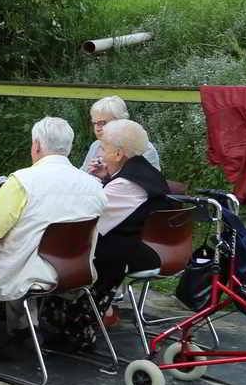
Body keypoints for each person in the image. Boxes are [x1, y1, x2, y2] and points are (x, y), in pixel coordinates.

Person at [0, 117, 108, 357]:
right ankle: (24, 331)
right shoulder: (94, 185)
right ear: (69, 147)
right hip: (72, 270)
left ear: (36, 146)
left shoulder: (23, 181)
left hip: (24, 271)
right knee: (22, 252)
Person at [42, 119, 172, 353]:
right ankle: (64, 320)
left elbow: (90, 218)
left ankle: (69, 324)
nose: (100, 152)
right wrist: (106, 177)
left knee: (58, 249)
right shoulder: (143, 172)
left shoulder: (127, 184)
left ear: (119, 153)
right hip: (138, 245)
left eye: (104, 147)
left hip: (126, 254)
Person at [82, 95, 162, 177]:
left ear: (121, 121)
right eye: (94, 123)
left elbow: (141, 184)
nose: (97, 129)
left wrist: (106, 176)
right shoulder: (96, 145)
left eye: (102, 123)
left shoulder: (142, 148)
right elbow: (82, 175)